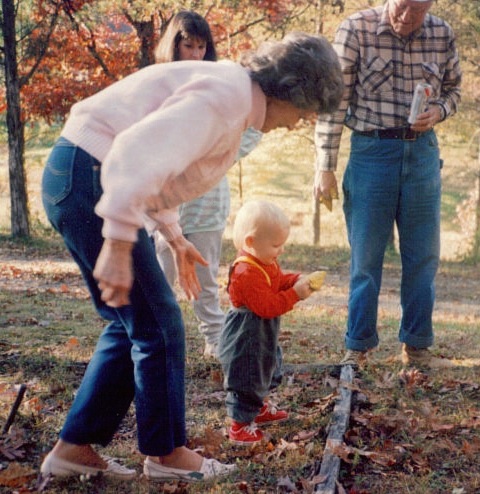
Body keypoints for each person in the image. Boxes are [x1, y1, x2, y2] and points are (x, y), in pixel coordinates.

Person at [39, 32, 343, 482]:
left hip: (83, 175)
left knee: (134, 324)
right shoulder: (227, 98)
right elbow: (132, 154)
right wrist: (120, 239)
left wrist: (174, 235)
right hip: (90, 177)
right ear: (291, 88)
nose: (301, 122)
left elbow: (161, 168)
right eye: (306, 109)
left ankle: (74, 448)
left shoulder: (233, 95)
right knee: (160, 325)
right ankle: (167, 455)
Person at [314, 0, 462, 369]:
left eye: (419, 9)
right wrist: (325, 167)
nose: (407, 17)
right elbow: (333, 103)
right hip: (370, 153)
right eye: (402, 6)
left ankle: (417, 347)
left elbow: (454, 90)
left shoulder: (442, 34)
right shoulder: (355, 29)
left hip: (422, 155)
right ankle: (358, 345)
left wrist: (439, 111)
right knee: (366, 258)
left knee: (423, 257)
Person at [153, 11, 263, 358]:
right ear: (174, 45)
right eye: (189, 46)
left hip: (209, 195)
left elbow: (246, 131)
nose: (197, 54)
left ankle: (215, 340)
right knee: (161, 273)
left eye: (202, 47)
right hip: (168, 196)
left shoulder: (220, 84)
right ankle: (157, 340)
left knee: (206, 275)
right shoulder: (158, 85)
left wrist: (220, 156)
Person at [217, 200, 319, 444]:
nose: (281, 250)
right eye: (276, 245)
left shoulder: (264, 261)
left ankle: (259, 408)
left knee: (265, 365)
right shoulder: (245, 273)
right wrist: (295, 294)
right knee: (247, 373)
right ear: (251, 242)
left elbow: (277, 282)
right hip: (246, 333)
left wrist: (297, 280)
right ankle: (239, 426)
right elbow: (267, 307)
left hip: (260, 331)